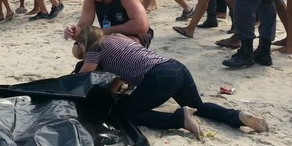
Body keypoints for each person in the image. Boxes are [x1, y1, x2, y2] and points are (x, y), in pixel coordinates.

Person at [75, 26, 269, 136]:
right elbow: (121, 72)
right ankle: (238, 116)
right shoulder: (117, 37)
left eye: (79, 44)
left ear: (86, 41)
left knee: (128, 112)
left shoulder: (96, 48)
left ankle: (179, 119)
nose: (79, 49)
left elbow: (83, 77)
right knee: (198, 106)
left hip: (157, 76)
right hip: (175, 67)